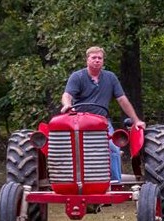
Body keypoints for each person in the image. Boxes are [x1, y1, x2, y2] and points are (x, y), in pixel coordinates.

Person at [61, 46, 146, 183]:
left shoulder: (110, 78)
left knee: (112, 147)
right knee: (66, 148)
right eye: (94, 57)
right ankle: (66, 179)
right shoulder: (77, 77)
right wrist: (67, 105)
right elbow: (67, 95)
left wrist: (136, 120)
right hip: (80, 122)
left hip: (102, 122)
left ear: (103, 61)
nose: (97, 60)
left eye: (99, 58)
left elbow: (122, 100)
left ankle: (114, 181)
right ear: (87, 60)